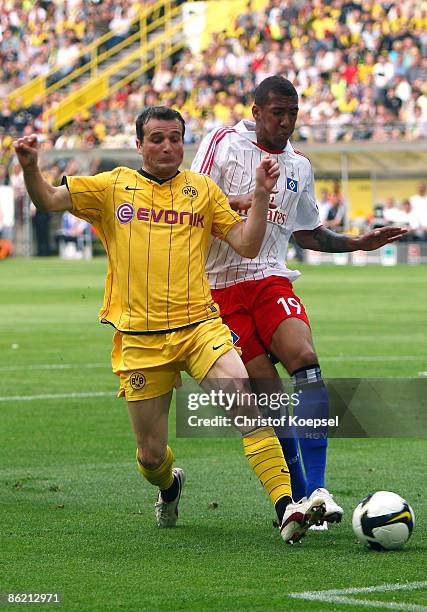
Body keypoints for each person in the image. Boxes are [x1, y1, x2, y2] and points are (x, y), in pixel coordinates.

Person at [13, 105, 328, 545]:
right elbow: (46, 200)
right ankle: (169, 485)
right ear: (138, 144)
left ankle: (285, 508)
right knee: (150, 454)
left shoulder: (202, 191)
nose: (167, 146)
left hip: (200, 328)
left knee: (247, 407)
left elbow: (248, 244)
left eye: (175, 138)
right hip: (140, 341)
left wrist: (259, 194)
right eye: (157, 138)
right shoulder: (111, 187)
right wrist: (30, 166)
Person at [191, 76, 407, 528]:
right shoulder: (224, 143)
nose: (286, 122)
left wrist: (356, 243)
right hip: (219, 288)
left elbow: (305, 231)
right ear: (255, 111)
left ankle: (320, 489)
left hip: (270, 277)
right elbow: (194, 203)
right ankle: (297, 498)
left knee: (305, 357)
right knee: (268, 393)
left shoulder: (299, 165)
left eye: (293, 113)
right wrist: (243, 200)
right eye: (277, 113)